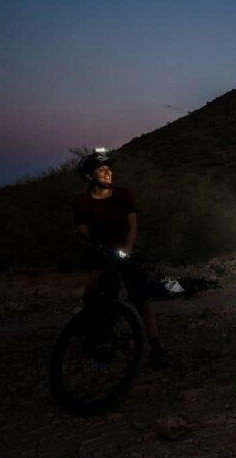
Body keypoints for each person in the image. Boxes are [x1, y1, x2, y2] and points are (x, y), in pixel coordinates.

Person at [72, 149, 168, 368]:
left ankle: (155, 346)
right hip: (100, 255)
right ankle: (100, 338)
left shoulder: (124, 195)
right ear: (88, 176)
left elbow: (132, 227)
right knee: (101, 293)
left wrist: (126, 250)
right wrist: (93, 249)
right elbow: (82, 233)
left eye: (109, 168)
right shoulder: (81, 202)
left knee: (141, 296)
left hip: (126, 252)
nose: (108, 173)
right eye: (101, 169)